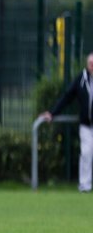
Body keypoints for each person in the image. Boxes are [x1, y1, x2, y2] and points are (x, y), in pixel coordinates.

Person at [40, 51, 93, 193]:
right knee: (87, 153)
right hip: (86, 125)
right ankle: (85, 185)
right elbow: (67, 97)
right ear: (87, 64)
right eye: (90, 63)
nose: (92, 66)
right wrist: (52, 113)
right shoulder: (81, 79)